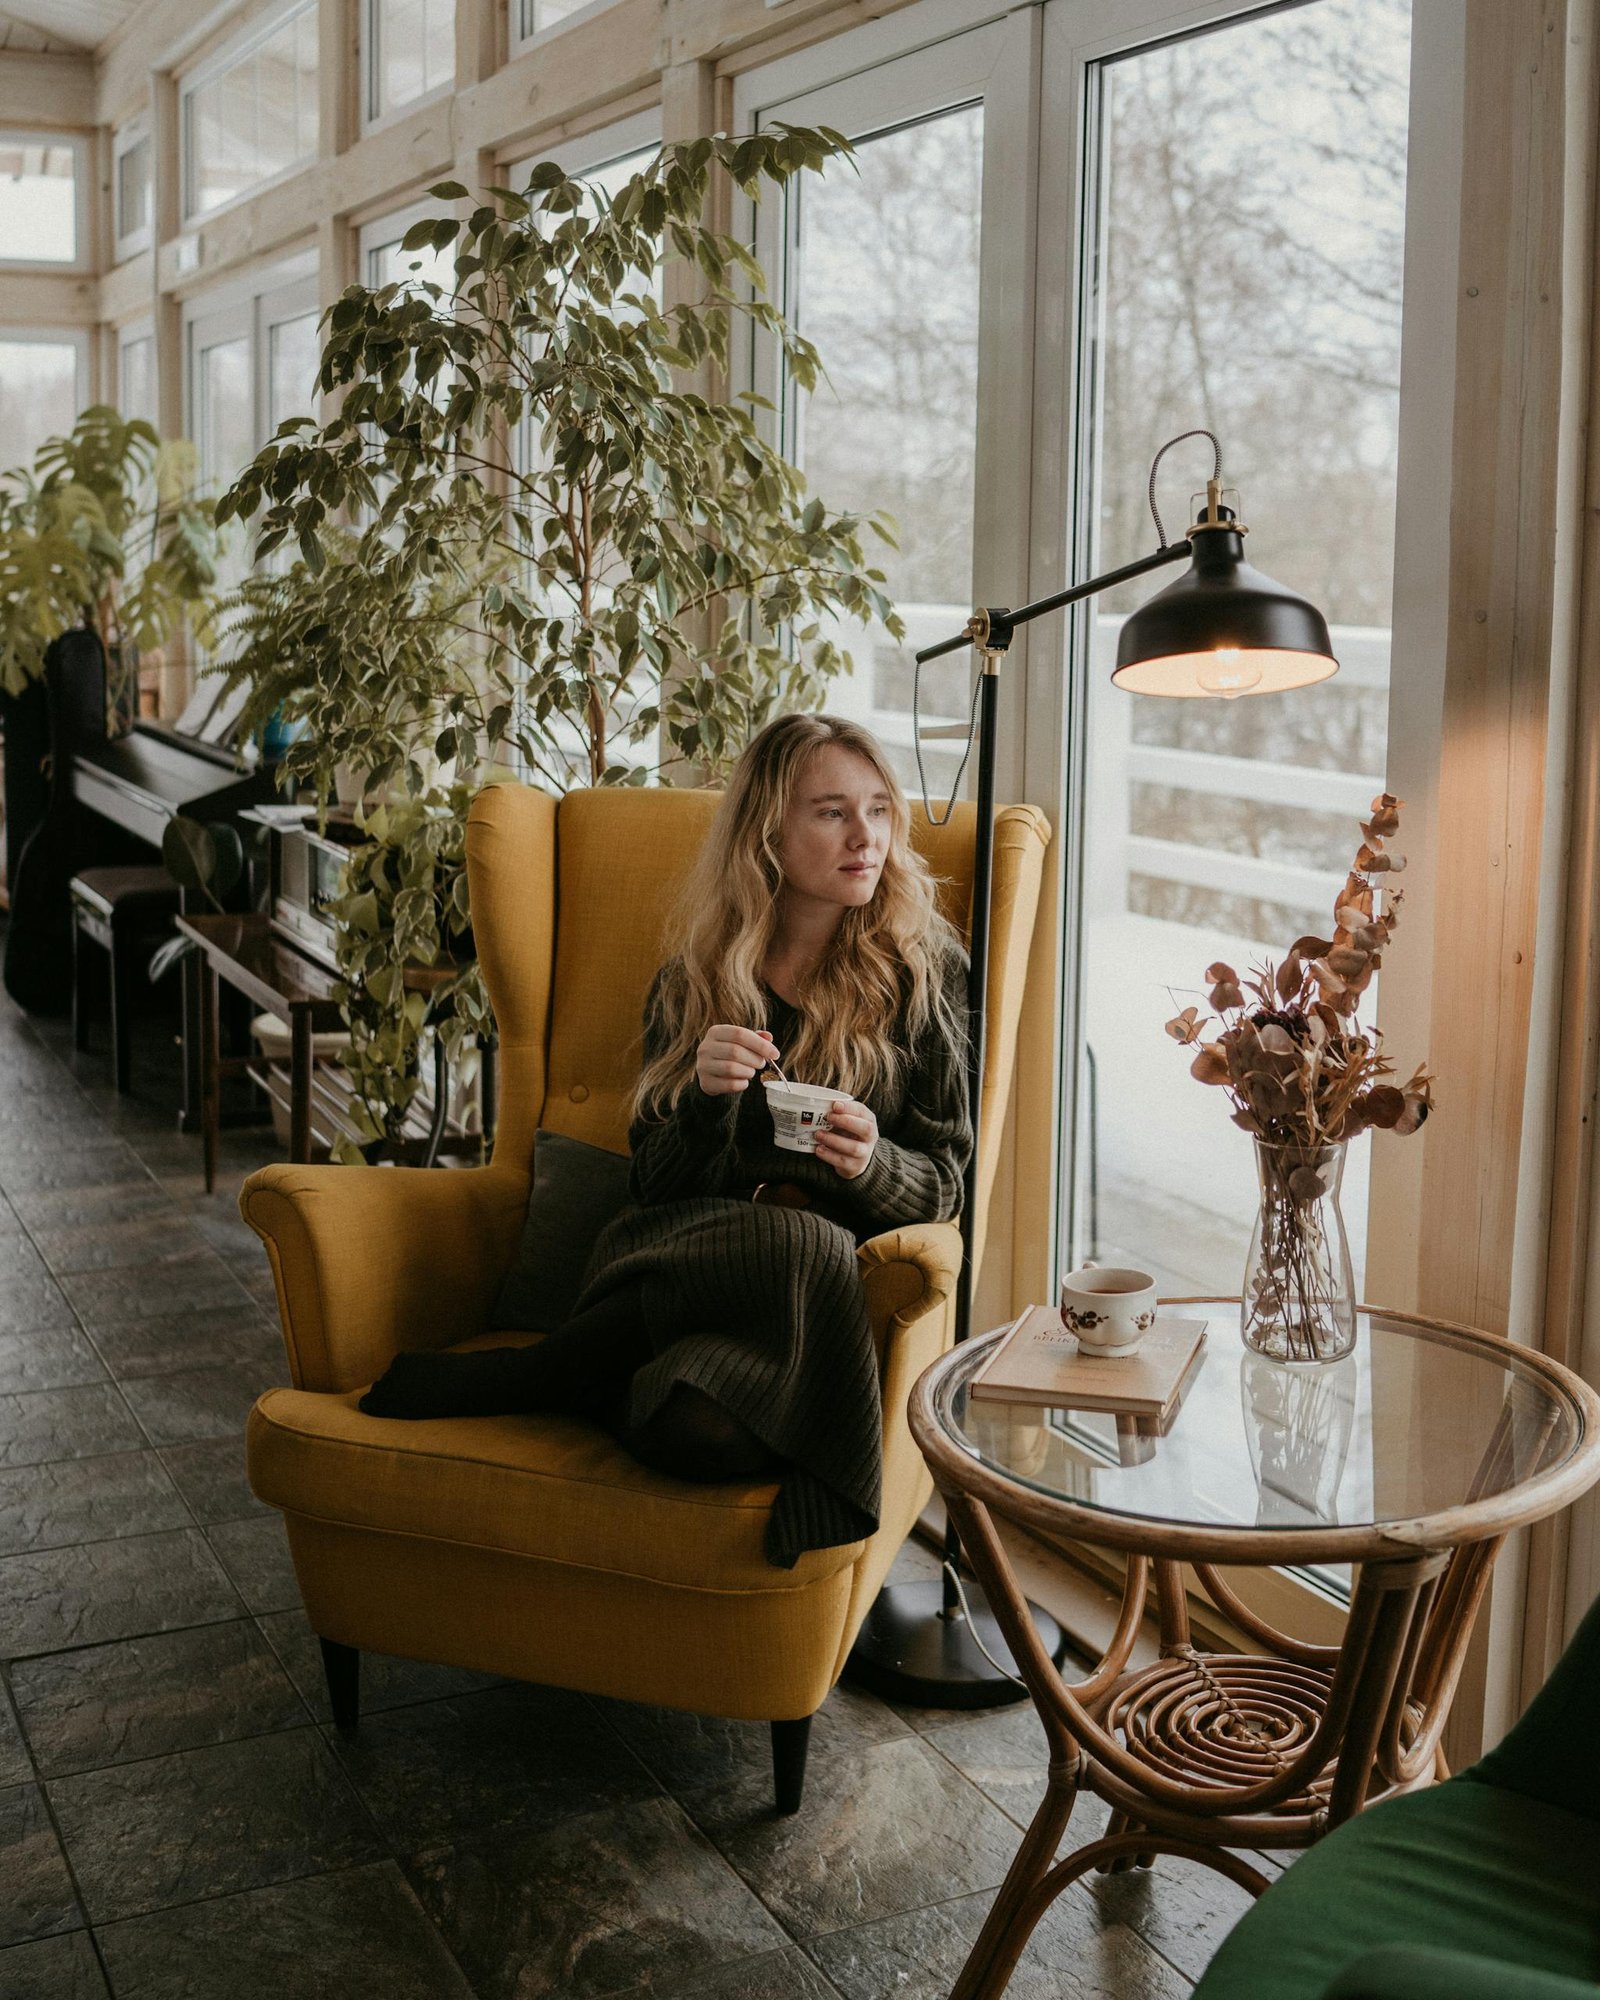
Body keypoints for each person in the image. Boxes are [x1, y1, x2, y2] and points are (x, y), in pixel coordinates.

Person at [359, 712, 972, 1567]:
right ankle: (564, 1370)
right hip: (672, 1259)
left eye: (878, 809)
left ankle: (562, 1375)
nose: (865, 837)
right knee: (805, 1241)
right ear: (768, 831)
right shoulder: (695, 977)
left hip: (787, 1318)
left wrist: (871, 1164)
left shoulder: (924, 974)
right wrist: (705, 1103)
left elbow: (945, 1183)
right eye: (832, 812)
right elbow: (655, 1186)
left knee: (710, 1435)